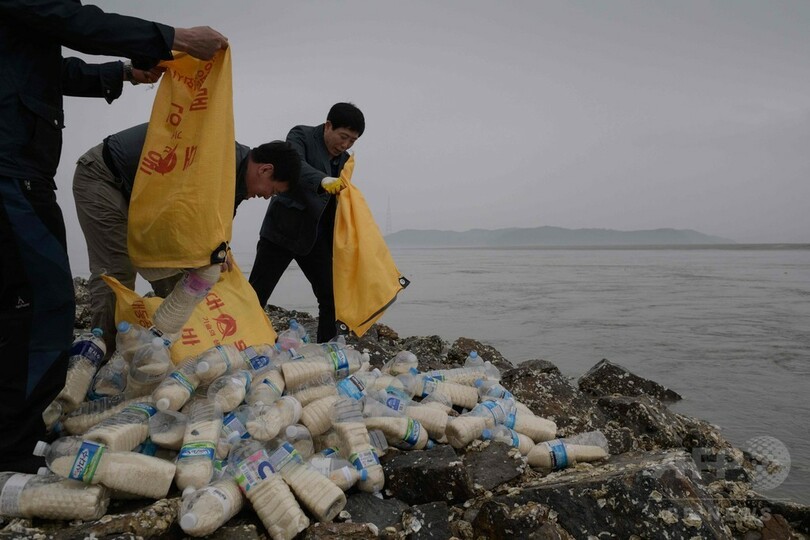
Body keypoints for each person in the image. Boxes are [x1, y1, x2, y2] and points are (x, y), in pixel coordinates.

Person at [0, 1, 227, 473]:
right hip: (12, 168)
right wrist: (175, 38)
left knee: (17, 299)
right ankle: (14, 444)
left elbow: (42, 68)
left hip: (20, 164)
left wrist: (121, 73)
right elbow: (69, 21)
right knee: (45, 302)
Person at [73, 123, 301, 354]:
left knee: (182, 279)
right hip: (105, 177)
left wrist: (220, 251)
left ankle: (173, 350)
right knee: (117, 272)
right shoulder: (216, 160)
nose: (266, 197)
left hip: (141, 196)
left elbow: (216, 225)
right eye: (273, 191)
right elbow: (182, 215)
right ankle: (102, 354)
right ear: (265, 170)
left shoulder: (237, 180)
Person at [249, 102, 365, 343]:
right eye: (343, 137)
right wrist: (322, 180)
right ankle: (240, 342)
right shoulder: (301, 135)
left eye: (352, 141)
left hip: (316, 238)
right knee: (255, 295)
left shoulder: (345, 161)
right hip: (282, 231)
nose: (345, 145)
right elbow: (295, 166)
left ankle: (326, 351)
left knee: (330, 297)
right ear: (328, 125)